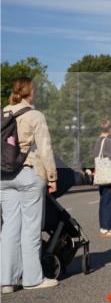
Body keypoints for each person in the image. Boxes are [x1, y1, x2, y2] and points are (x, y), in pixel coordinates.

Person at [1, 77, 59, 292]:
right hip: (27, 173)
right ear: (30, 92)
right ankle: (33, 279)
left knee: (9, 228)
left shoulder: (3, 112)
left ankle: (6, 280)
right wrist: (52, 176)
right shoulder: (34, 115)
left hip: (3, 177)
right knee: (31, 229)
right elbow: (45, 149)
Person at [91, 119, 111, 237]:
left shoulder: (97, 141)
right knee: (110, 202)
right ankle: (107, 228)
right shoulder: (108, 141)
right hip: (109, 176)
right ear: (110, 129)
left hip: (101, 176)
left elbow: (95, 155)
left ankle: (103, 227)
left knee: (104, 201)